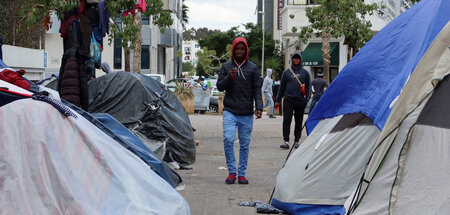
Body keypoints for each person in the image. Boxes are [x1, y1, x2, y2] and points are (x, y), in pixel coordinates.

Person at [217, 37, 263, 185]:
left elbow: (257, 89)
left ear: (246, 51)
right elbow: (220, 87)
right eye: (237, 48)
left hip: (247, 112)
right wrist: (229, 78)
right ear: (233, 50)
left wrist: (259, 107)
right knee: (228, 139)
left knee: (244, 144)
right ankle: (232, 172)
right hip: (230, 111)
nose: (239, 51)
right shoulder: (226, 67)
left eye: (242, 49)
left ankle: (242, 173)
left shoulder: (253, 68)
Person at [275, 52, 311, 149]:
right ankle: (286, 141)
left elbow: (308, 87)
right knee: (286, 120)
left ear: (300, 60)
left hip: (300, 101)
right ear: (292, 60)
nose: (296, 60)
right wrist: (277, 100)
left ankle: (296, 141)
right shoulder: (286, 73)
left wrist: (306, 99)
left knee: (299, 121)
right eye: (294, 58)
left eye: (298, 58)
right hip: (288, 100)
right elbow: (281, 87)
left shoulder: (305, 73)